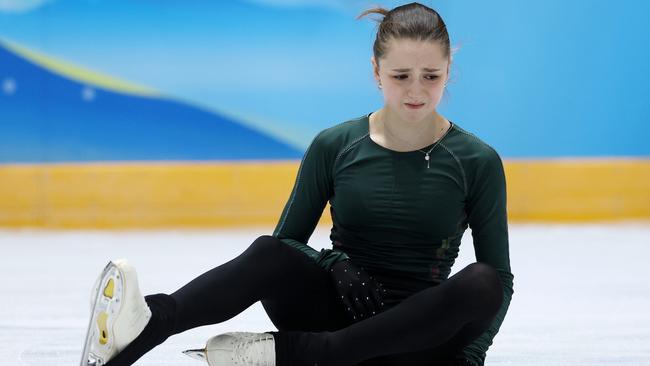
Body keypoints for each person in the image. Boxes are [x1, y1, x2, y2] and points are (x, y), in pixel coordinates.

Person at [79, 2, 514, 366]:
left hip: (421, 341)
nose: (415, 91)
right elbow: (286, 245)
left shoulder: (476, 160)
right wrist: (333, 265)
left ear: (448, 69)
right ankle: (148, 324)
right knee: (268, 253)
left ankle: (312, 354)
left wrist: (471, 357)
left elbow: (501, 280)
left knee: (482, 281)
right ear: (376, 70)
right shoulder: (336, 145)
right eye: (401, 75)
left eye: (431, 76)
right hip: (333, 314)